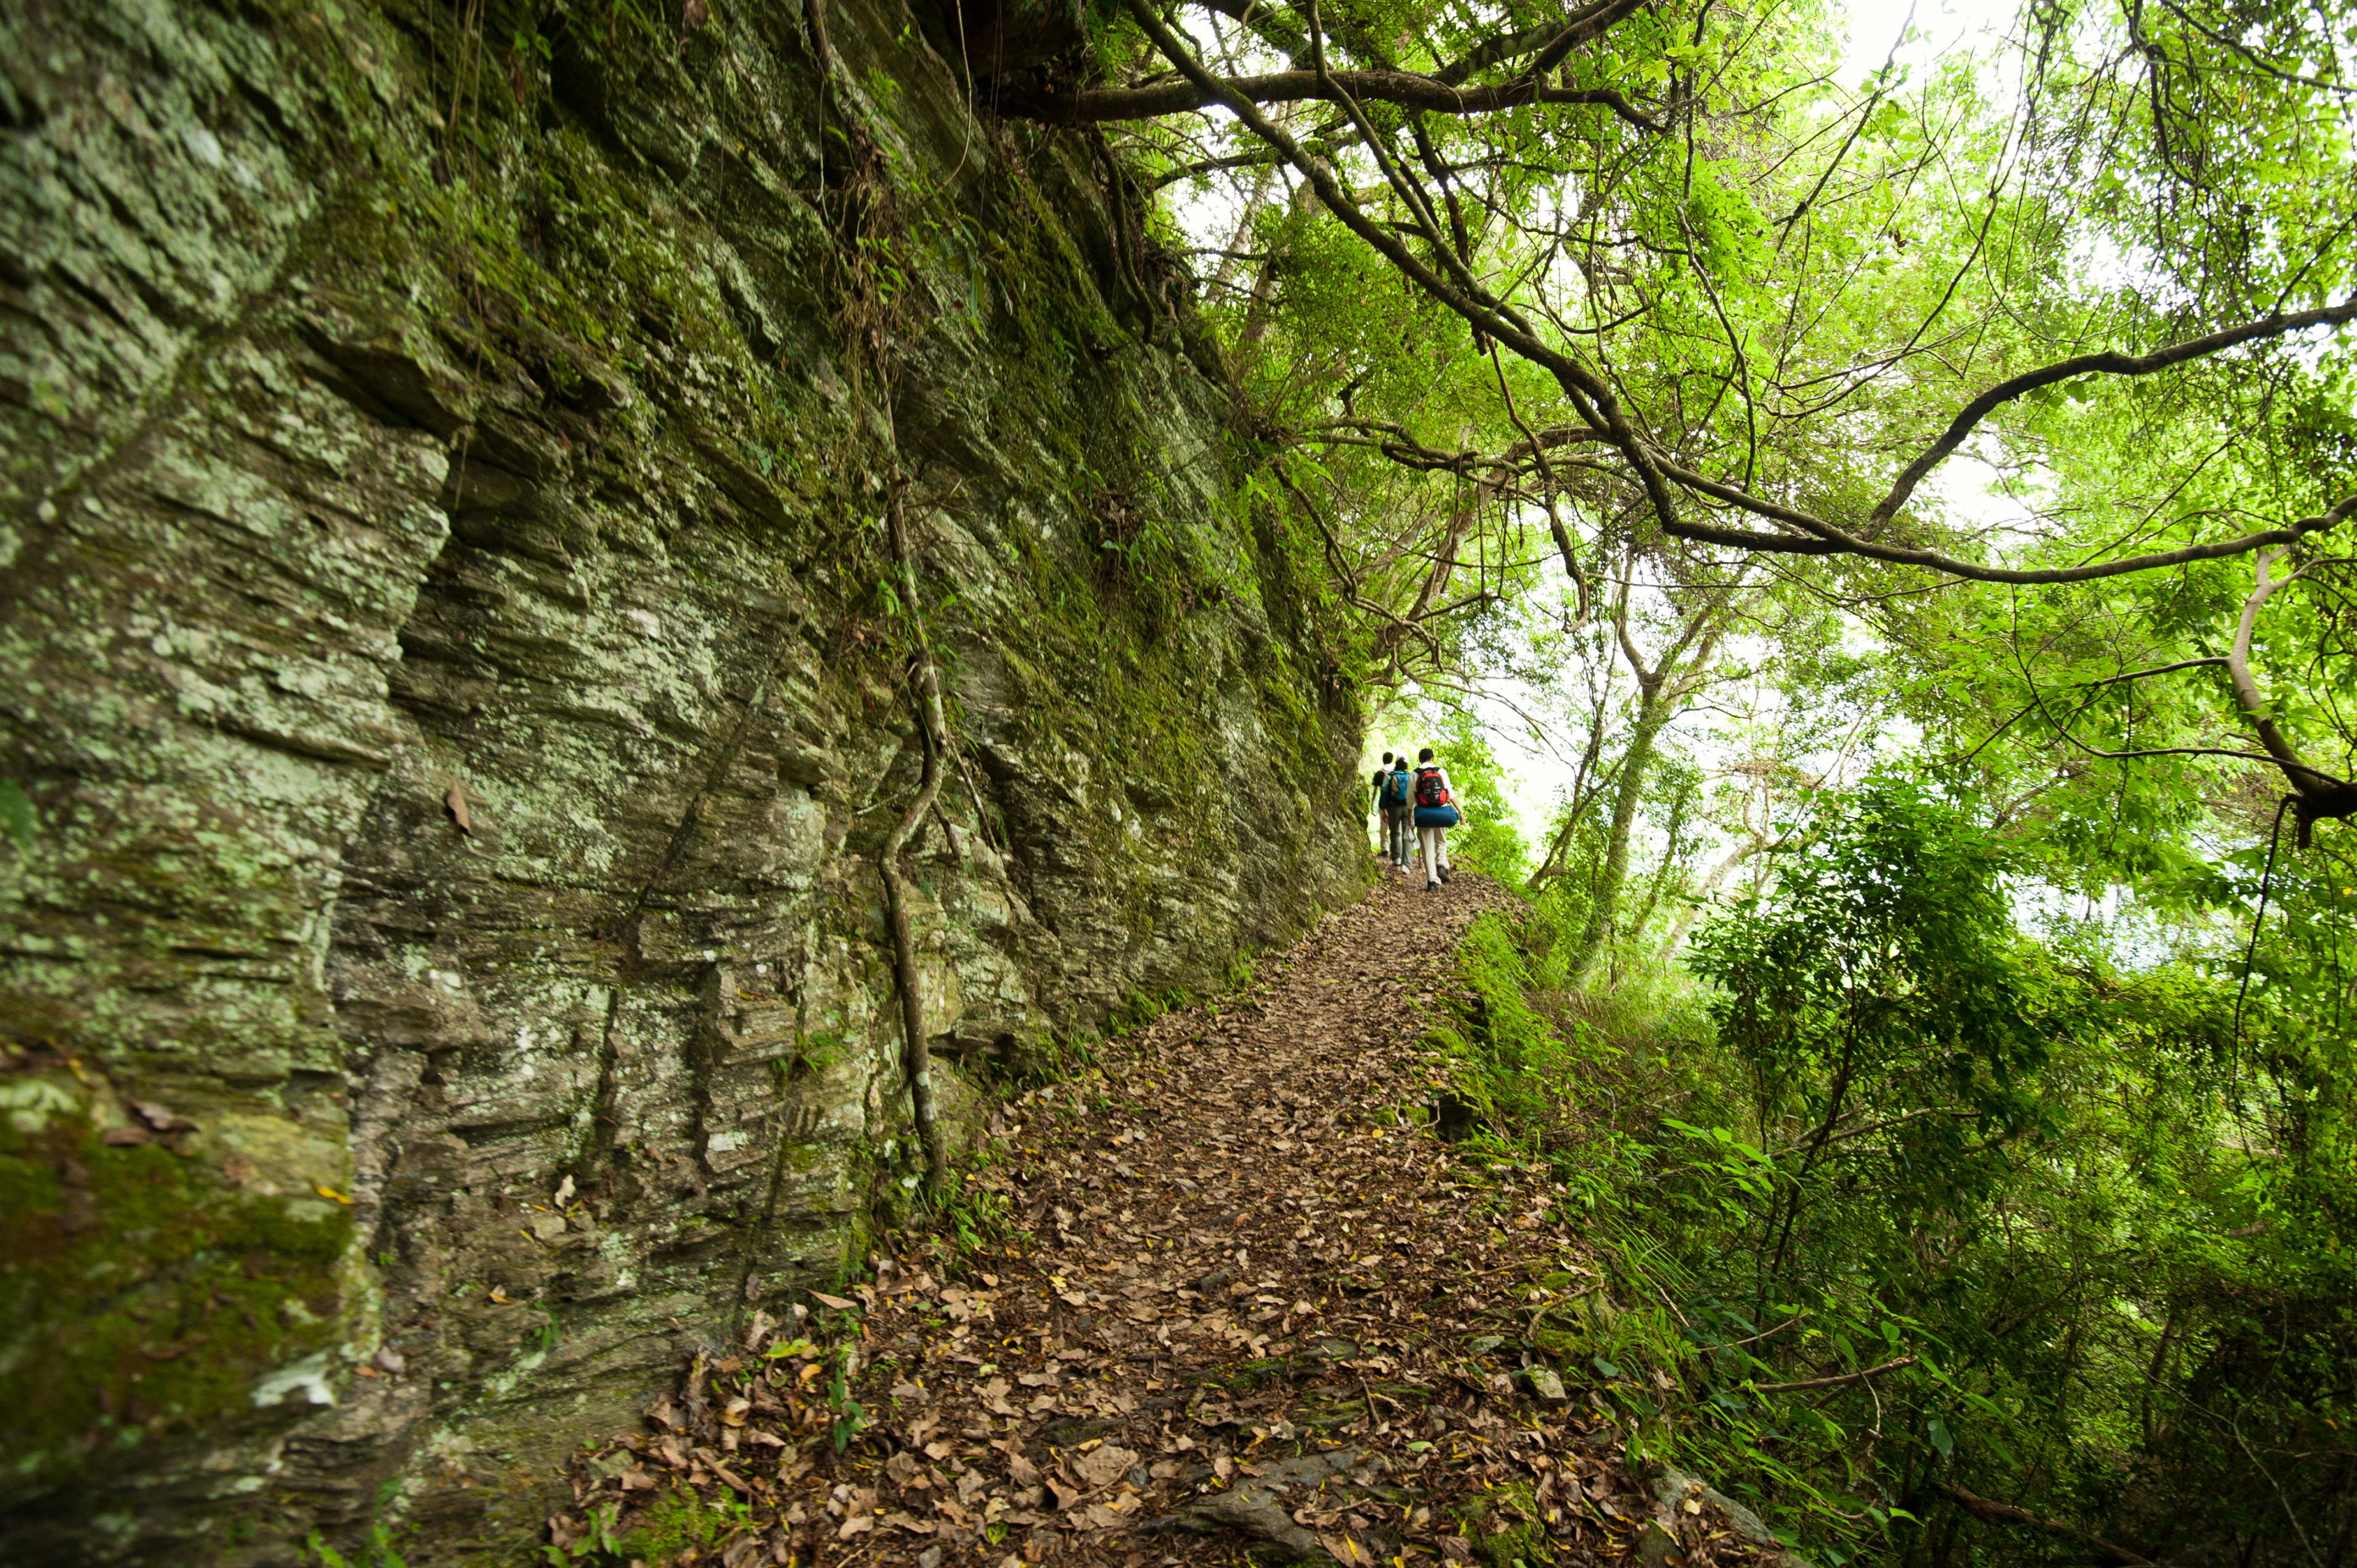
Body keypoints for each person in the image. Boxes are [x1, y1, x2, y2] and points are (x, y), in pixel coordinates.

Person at [1411, 746, 1462, 890]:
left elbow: (1410, 799)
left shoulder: (1414, 774)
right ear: (1433, 758)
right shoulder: (1441, 771)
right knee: (1442, 841)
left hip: (1423, 814)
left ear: (1419, 760)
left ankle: (1432, 881)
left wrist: (1410, 817)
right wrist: (1460, 812)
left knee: (1427, 849)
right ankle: (1441, 863)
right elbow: (1450, 795)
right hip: (1441, 813)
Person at [1380, 753, 1415, 873]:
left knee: (1395, 832)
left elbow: (1384, 793)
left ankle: (1397, 858)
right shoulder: (1411, 776)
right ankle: (1406, 864)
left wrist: (1384, 810)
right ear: (1406, 765)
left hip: (1393, 807)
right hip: (1408, 808)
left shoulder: (1390, 776)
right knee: (1408, 834)